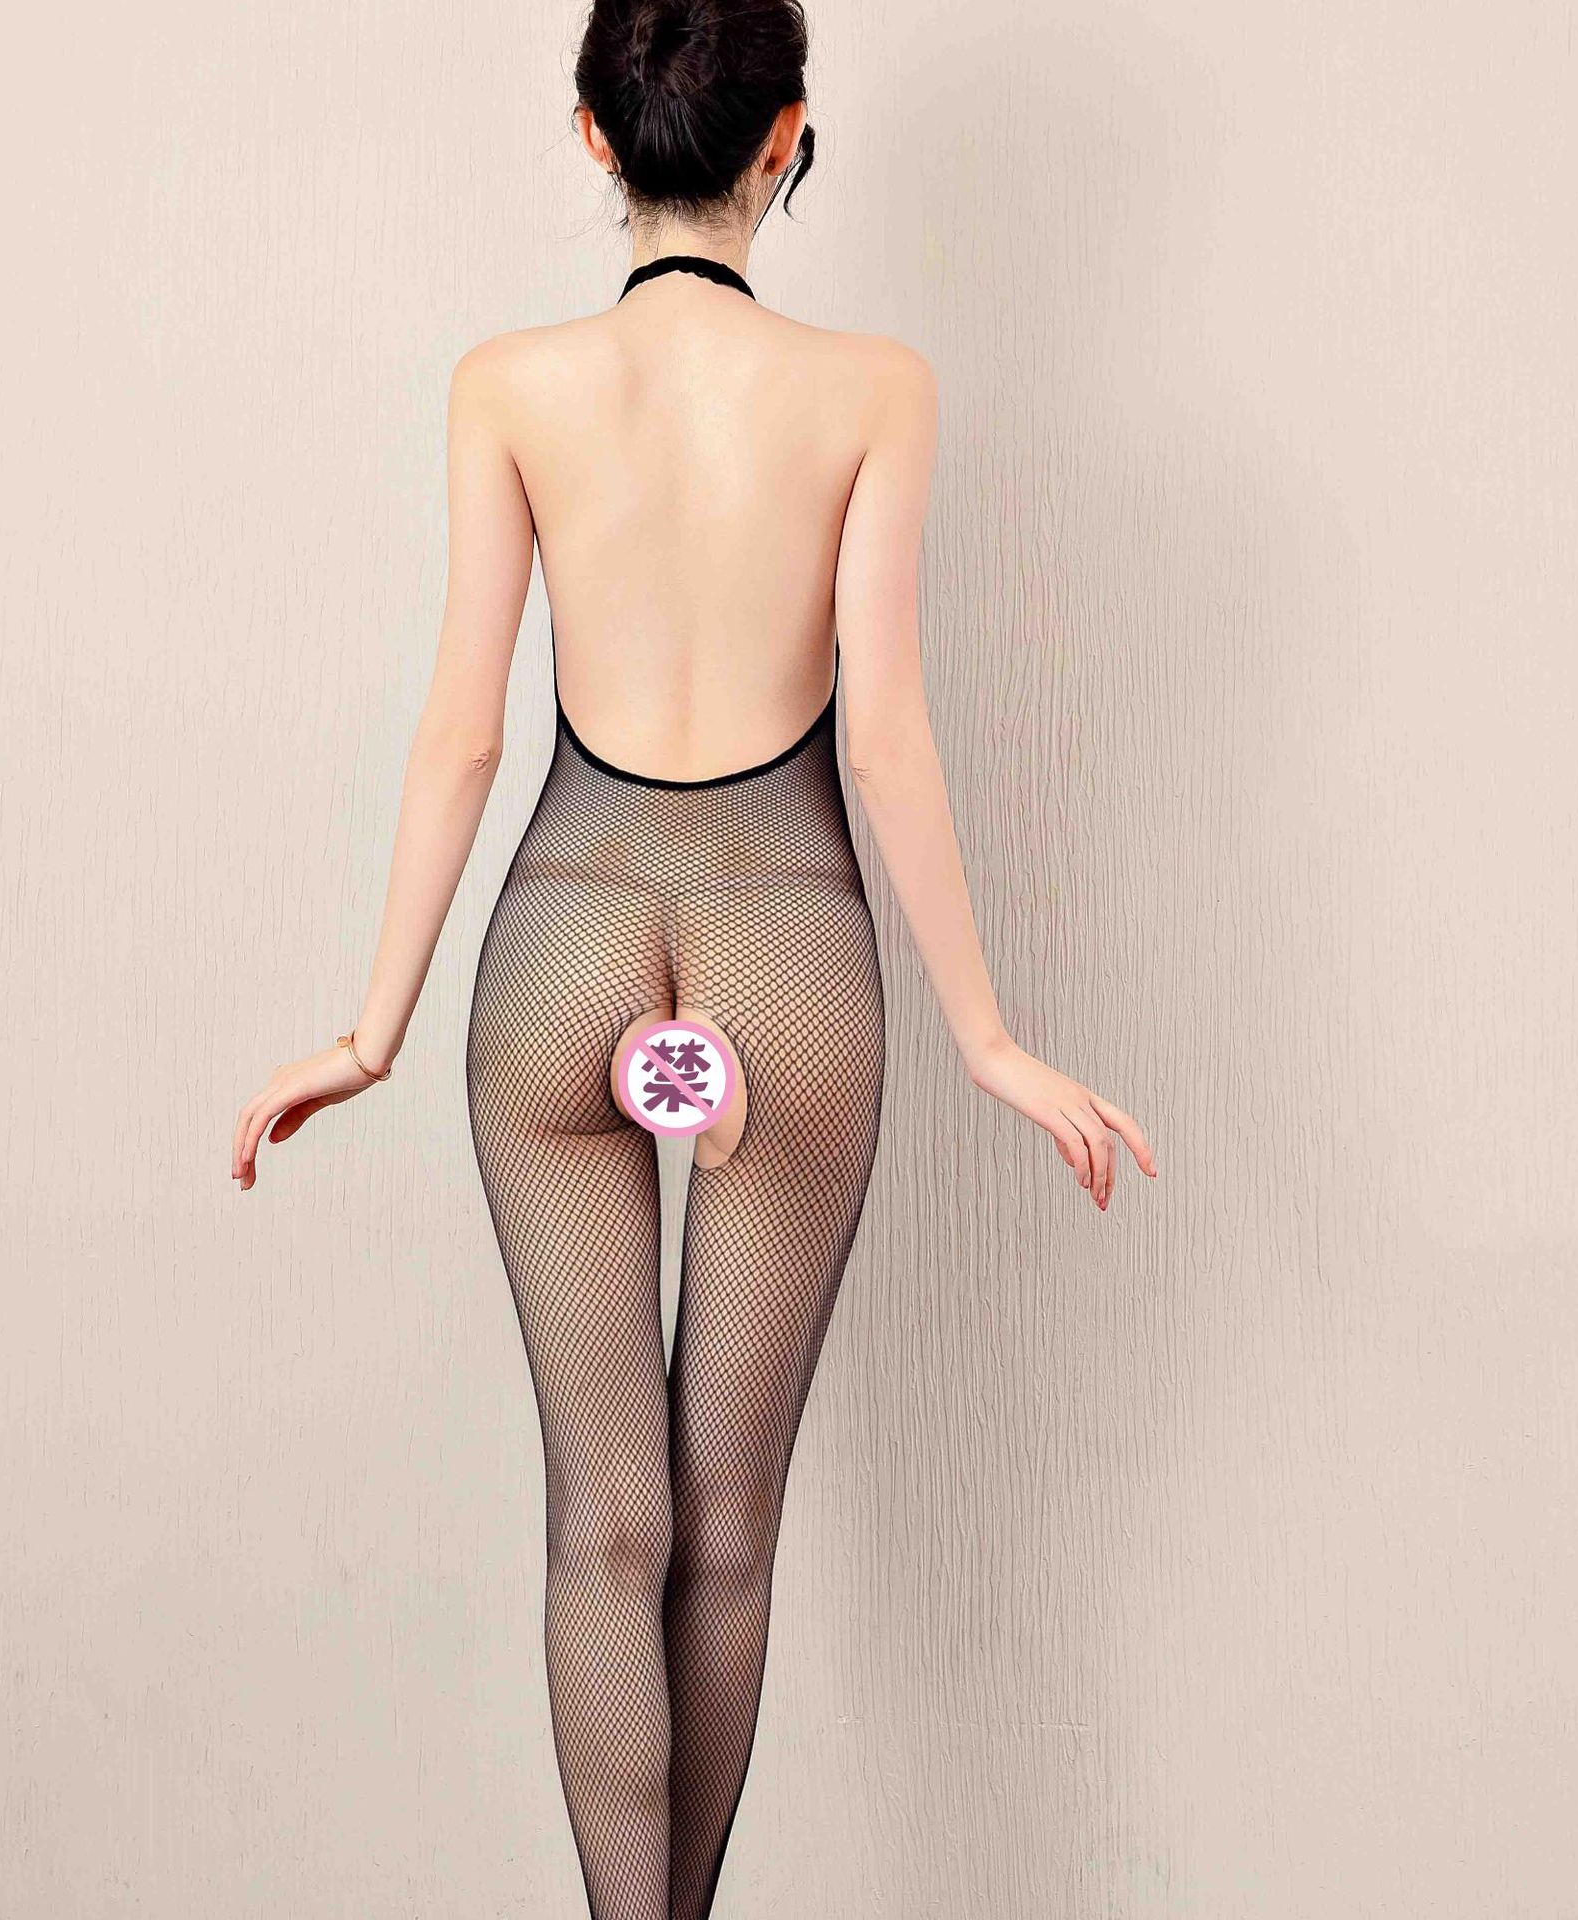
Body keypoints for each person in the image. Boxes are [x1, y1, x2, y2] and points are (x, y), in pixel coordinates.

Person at [231, 1, 1157, 1911]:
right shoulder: (875, 390)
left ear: (593, 135)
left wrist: (372, 1026)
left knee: (603, 1524)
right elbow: (883, 740)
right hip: (786, 944)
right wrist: (989, 1036)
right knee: (725, 1531)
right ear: (786, 135)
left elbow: (464, 734)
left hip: (563, 938)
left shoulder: (509, 385)